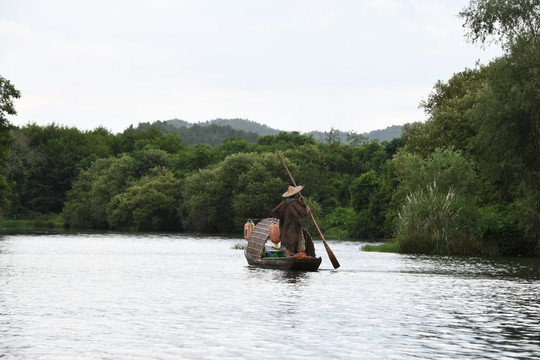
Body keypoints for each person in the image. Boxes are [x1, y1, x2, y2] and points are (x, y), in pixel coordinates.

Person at [272, 185, 311, 258]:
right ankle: (300, 254)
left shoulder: (284, 203)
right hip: (295, 227)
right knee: (300, 242)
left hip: (285, 227)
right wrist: (308, 210)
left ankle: (288, 255)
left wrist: (299, 201)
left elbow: (277, 211)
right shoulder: (295, 203)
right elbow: (303, 213)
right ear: (295, 194)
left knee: (288, 244)